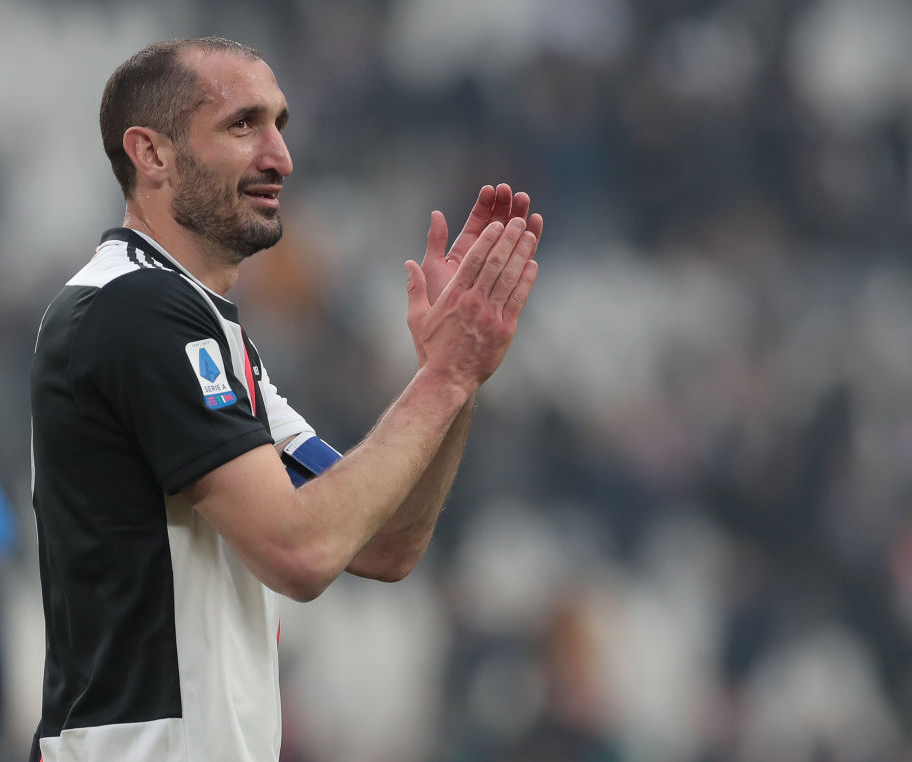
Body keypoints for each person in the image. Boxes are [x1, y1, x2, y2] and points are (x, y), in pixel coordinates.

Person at [28, 37, 542, 762]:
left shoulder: (200, 329)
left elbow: (386, 543)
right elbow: (300, 552)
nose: (280, 157)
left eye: (280, 124)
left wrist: (453, 377)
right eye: (243, 125)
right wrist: (444, 379)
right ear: (151, 154)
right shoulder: (133, 309)